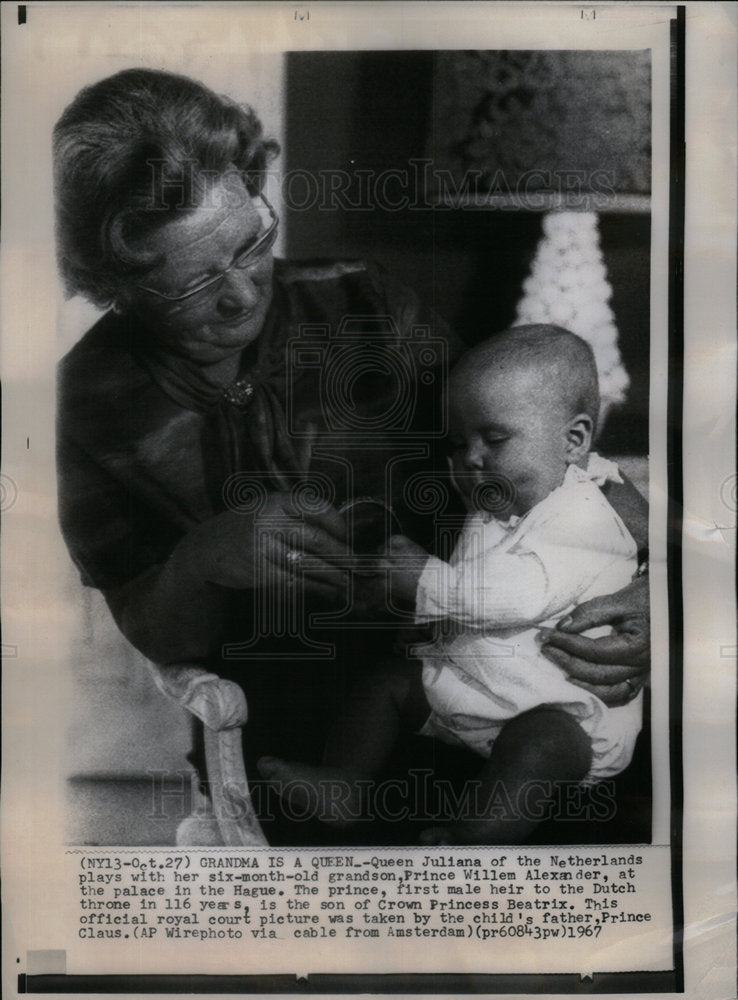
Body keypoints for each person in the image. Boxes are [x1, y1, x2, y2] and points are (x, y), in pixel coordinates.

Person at [54, 68, 650, 845]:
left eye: (251, 243)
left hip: (509, 681)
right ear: (118, 286)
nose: (243, 293)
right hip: (304, 735)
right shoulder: (86, 404)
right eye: (195, 282)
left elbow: (555, 471)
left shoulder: (363, 303)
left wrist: (648, 591)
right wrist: (201, 559)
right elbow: (156, 633)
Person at [259, 327, 643, 843]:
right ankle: (345, 781)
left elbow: (520, 596)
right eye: (459, 444)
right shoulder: (498, 504)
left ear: (572, 441)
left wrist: (425, 578)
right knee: (391, 682)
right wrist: (434, 625)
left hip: (566, 710)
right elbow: (470, 585)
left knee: (538, 747)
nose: (472, 458)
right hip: (485, 689)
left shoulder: (584, 515)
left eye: (496, 438)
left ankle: (476, 838)